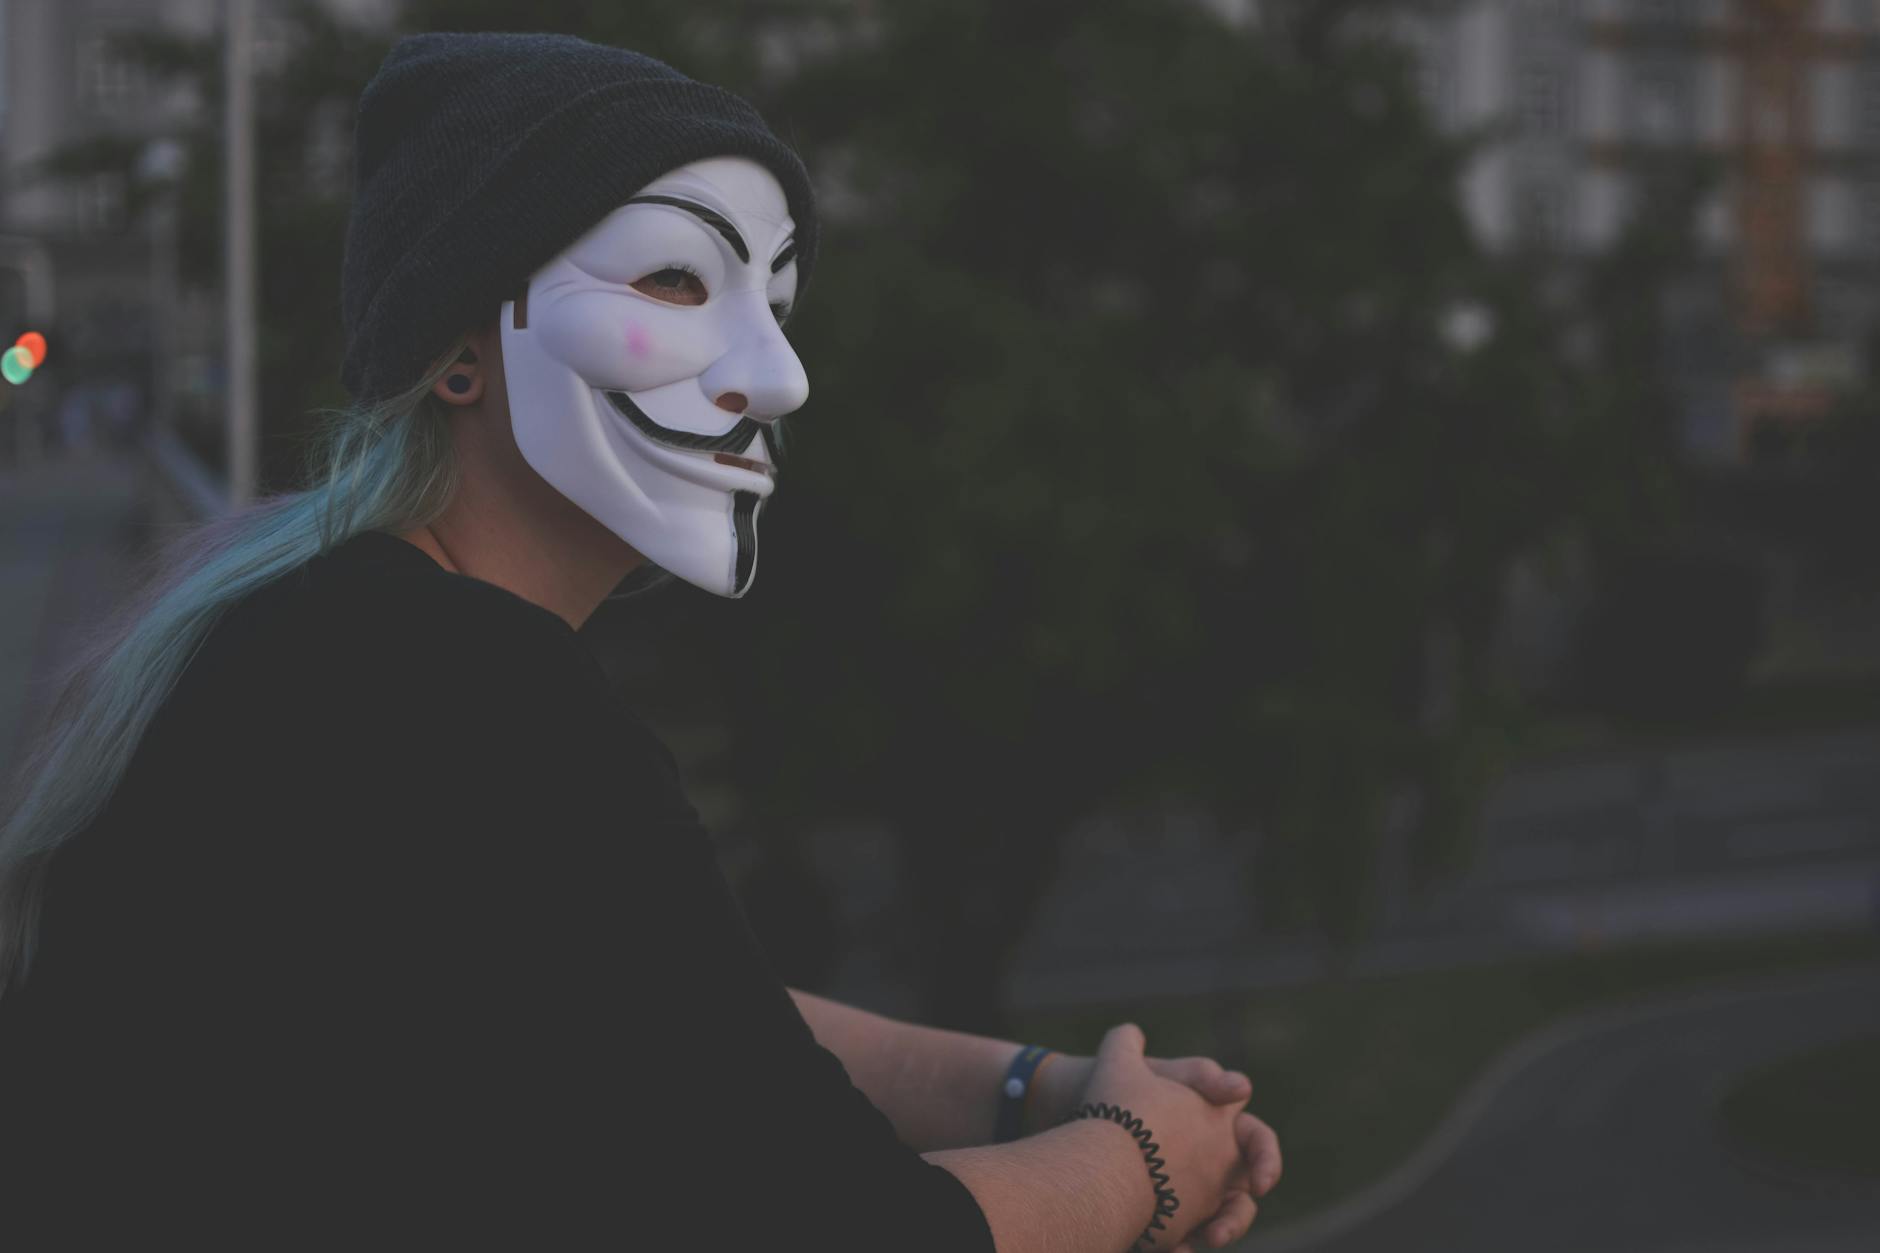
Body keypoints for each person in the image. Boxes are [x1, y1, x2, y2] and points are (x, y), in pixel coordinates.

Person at [0, 32, 1279, 1250]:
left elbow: (659, 1020)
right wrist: (1140, 1157)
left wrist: (1030, 1088)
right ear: (457, 345)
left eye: (773, 300)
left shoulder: (313, 626)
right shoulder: (476, 705)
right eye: (676, 277)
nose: (777, 376)